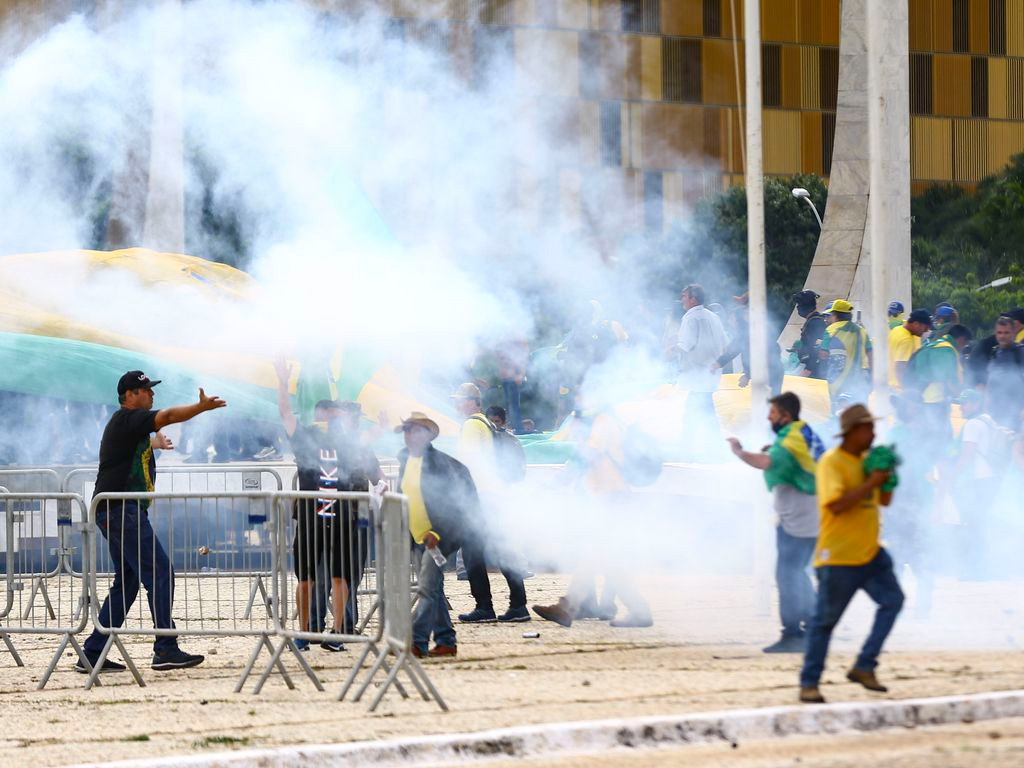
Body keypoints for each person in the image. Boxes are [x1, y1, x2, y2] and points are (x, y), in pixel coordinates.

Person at [79, 371, 226, 674]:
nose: (152, 394)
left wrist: (154, 445)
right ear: (130, 394)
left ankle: (92, 653)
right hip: (121, 510)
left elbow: (130, 451)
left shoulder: (128, 427)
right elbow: (170, 415)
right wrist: (200, 408)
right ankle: (165, 648)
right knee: (159, 572)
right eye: (146, 390)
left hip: (117, 511)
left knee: (129, 582)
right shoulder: (127, 419)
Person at [799, 404, 903, 704]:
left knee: (893, 601)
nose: (873, 433)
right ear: (853, 431)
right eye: (868, 428)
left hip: (870, 552)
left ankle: (865, 665)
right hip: (839, 557)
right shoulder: (833, 462)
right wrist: (871, 481)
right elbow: (835, 505)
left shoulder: (868, 460)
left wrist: (888, 479)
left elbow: (883, 501)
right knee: (824, 624)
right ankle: (809, 683)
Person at [275, 360, 382, 652]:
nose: (330, 417)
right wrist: (283, 384)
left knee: (340, 576)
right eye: (327, 412)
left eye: (333, 413)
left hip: (342, 517)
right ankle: (305, 633)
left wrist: (379, 429)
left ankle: (336, 633)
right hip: (311, 517)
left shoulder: (347, 441)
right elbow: (285, 413)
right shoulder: (305, 437)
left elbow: (365, 450)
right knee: (306, 578)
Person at [532, 409, 653, 628]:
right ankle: (636, 610)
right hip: (608, 499)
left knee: (596, 554)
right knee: (603, 558)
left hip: (611, 499)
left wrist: (550, 484)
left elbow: (585, 459)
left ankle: (568, 607)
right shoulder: (604, 420)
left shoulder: (602, 421)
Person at [728, 392, 824, 653]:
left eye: (772, 413)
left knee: (788, 575)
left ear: (786, 415)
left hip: (800, 517)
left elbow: (766, 462)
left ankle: (793, 634)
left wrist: (739, 452)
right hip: (808, 513)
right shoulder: (800, 432)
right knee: (797, 572)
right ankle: (816, 625)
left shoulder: (791, 438)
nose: (769, 417)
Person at [395, 412, 477, 658]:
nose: (411, 435)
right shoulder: (404, 460)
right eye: (408, 430)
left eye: (417, 430)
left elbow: (452, 504)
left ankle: (416, 642)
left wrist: (437, 532)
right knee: (434, 589)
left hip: (439, 537)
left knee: (427, 589)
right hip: (417, 535)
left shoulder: (440, 464)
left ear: (429, 435)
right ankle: (446, 641)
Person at [451, 383, 529, 624]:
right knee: (503, 548)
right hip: (493, 493)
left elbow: (468, 464)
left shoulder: (472, 425)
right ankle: (518, 604)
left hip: (480, 495)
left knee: (473, 553)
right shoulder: (486, 422)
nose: (457, 403)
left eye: (460, 399)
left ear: (473, 402)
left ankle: (484, 606)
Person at [673, 284, 728, 451]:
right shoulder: (713, 317)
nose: (682, 300)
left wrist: (670, 350)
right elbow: (725, 343)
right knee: (703, 410)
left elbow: (685, 345)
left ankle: (688, 448)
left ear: (693, 299)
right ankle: (712, 447)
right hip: (711, 372)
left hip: (697, 374)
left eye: (684, 296)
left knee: (694, 412)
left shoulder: (690, 318)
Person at [909, 323, 971, 440]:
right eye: (965, 344)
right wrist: (962, 397)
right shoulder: (946, 349)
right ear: (962, 339)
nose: (964, 348)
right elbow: (950, 381)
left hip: (922, 399)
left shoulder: (934, 345)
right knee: (939, 439)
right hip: (934, 402)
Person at [819, 299, 872, 409]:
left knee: (838, 411)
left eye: (829, 315)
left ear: (835, 315)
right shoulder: (862, 330)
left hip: (838, 379)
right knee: (859, 411)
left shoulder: (830, 330)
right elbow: (871, 354)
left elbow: (823, 354)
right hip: (860, 379)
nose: (827, 319)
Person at [984, 316, 1024, 429]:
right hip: (995, 413)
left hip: (1016, 414)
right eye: (999, 332)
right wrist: (986, 404)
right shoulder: (994, 352)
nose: (1002, 336)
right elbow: (990, 379)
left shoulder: (1020, 352)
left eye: (1006, 332)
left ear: (1014, 332)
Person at [888, 308, 931, 391]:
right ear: (916, 324)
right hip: (899, 388)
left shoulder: (896, 330)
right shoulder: (906, 340)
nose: (925, 332)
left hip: (890, 384)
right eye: (925, 328)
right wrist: (906, 391)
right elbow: (900, 368)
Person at [792, 290, 827, 379]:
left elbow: (816, 348)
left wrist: (808, 369)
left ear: (806, 305)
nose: (798, 307)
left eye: (800, 304)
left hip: (814, 371)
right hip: (812, 368)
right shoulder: (814, 321)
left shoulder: (815, 322)